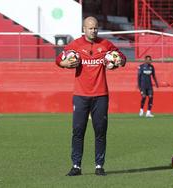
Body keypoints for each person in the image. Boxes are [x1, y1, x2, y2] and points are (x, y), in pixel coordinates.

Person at [55, 16, 126, 176]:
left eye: (95, 28)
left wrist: (117, 61)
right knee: (78, 131)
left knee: (100, 131)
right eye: (90, 28)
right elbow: (59, 59)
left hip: (101, 95)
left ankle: (99, 166)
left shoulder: (105, 44)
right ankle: (76, 166)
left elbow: (122, 58)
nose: (93, 30)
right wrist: (64, 63)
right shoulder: (75, 45)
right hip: (80, 95)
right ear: (84, 29)